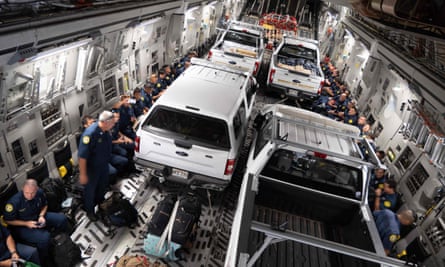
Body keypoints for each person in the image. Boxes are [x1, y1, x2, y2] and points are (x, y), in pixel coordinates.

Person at [3, 179, 68, 263]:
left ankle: (63, 242)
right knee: (45, 238)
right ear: (23, 189)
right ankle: (46, 259)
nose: (30, 196)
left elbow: (45, 205)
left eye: (32, 193)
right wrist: (26, 223)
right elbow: (7, 220)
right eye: (27, 193)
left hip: (37, 216)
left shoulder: (39, 192)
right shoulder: (13, 202)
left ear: (36, 189)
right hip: (21, 226)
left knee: (62, 219)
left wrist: (41, 215)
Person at [78, 110, 115, 221]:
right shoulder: (89, 134)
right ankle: (90, 211)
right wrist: (83, 174)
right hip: (92, 169)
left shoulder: (105, 131)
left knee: (101, 187)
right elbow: (82, 157)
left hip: (103, 166)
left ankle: (100, 205)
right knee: (90, 191)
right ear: (105, 122)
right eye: (112, 122)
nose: (113, 125)